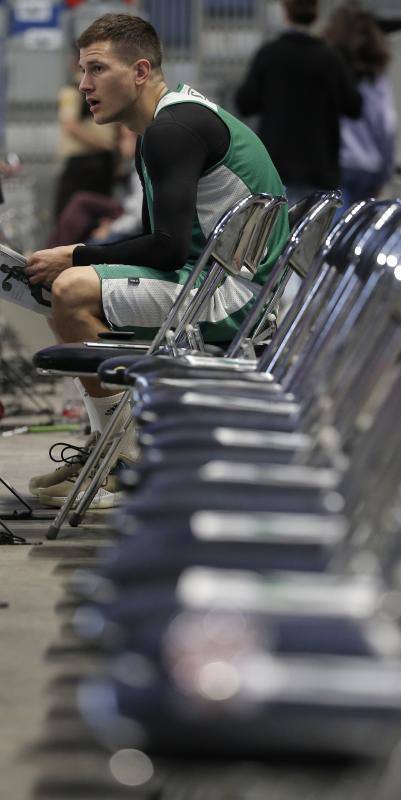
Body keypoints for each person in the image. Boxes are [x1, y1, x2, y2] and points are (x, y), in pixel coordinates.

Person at [25, 12, 289, 508]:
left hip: (232, 300)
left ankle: (119, 462)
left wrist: (77, 255)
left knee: (71, 290)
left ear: (141, 71)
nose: (84, 85)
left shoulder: (173, 130)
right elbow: (162, 243)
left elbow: (165, 248)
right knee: (70, 283)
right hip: (227, 285)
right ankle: (114, 451)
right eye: (82, 71)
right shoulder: (171, 122)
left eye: (98, 69)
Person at [235, 0, 362, 206]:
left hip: (277, 167)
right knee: (315, 233)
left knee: (280, 232)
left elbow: (244, 103)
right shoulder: (330, 58)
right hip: (320, 167)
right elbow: (354, 106)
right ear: (316, 14)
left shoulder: (270, 54)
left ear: (286, 13)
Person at [324, 3, 397, 209]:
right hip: (370, 166)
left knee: (337, 233)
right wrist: (386, 170)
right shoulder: (376, 77)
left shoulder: (332, 73)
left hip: (340, 163)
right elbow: (387, 124)